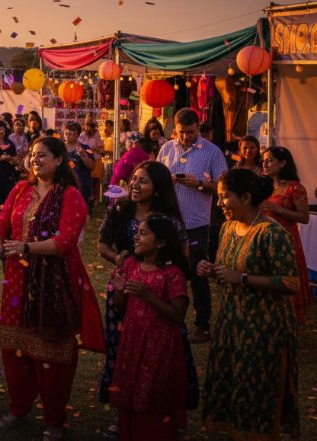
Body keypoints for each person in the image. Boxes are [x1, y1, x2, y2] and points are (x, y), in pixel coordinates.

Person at [0, 136, 104, 440]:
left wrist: (25, 247)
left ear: (58, 160)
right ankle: (18, 407)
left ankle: (54, 417)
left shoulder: (70, 196)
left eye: (43, 155)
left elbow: (65, 243)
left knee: (52, 350)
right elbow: (1, 225)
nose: (36, 159)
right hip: (16, 279)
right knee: (14, 347)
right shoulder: (20, 189)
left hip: (54, 280)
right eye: (33, 154)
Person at [96, 162, 199, 438]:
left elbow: (181, 255)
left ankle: (160, 413)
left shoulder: (167, 221)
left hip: (158, 294)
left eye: (143, 181)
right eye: (134, 180)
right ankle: (124, 412)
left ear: (158, 188)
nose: (135, 186)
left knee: (157, 359)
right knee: (123, 351)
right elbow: (102, 244)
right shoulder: (119, 208)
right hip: (124, 285)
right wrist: (121, 261)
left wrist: (158, 278)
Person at [197, 169, 300, 439]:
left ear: (245, 197)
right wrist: (212, 269)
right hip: (231, 323)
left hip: (264, 328)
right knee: (232, 384)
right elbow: (227, 270)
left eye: (224, 197)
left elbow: (291, 282)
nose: (219, 204)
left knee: (259, 390)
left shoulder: (271, 233)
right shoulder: (228, 227)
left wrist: (242, 278)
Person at [109, 213, 192, 441]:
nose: (136, 237)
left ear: (161, 242)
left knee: (152, 391)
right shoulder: (131, 265)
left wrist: (147, 295)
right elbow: (121, 305)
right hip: (133, 339)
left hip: (160, 344)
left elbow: (178, 315)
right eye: (137, 232)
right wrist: (118, 289)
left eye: (143, 233)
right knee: (131, 388)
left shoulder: (172, 274)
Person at [157, 108, 227, 343]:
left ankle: (202, 324)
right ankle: (167, 320)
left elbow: (222, 187)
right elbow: (156, 178)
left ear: (199, 128)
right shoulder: (167, 148)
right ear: (174, 129)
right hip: (169, 222)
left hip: (197, 223)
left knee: (198, 273)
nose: (186, 137)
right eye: (181, 132)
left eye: (190, 132)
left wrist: (198, 184)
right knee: (167, 271)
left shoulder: (212, 152)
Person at [261, 146, 311, 324]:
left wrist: (278, 209)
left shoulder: (295, 188)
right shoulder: (263, 185)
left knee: (285, 276)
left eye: (270, 160)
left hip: (287, 240)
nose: (265, 164)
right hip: (264, 239)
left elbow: (304, 218)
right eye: (264, 160)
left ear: (282, 163)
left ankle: (288, 317)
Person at [62, 121, 96, 207]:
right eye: (66, 130)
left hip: (81, 186)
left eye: (71, 131)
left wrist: (83, 155)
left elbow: (92, 166)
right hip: (63, 185)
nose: (68, 133)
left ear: (78, 134)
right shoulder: (59, 147)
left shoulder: (86, 148)